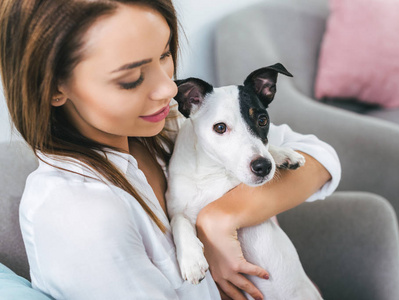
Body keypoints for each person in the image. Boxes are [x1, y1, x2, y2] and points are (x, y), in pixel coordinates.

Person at [0, 0, 340, 299]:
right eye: (131, 78)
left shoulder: (175, 123)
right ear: (54, 88)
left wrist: (218, 219)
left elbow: (321, 158)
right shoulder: (79, 215)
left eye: (164, 54)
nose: (168, 88)